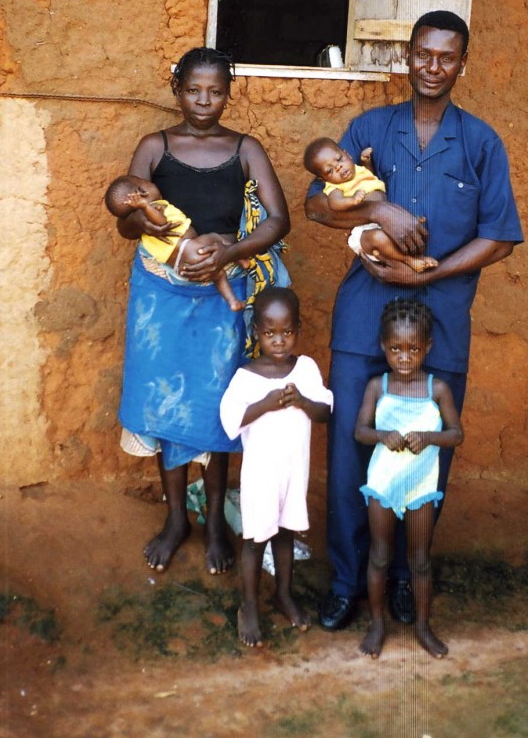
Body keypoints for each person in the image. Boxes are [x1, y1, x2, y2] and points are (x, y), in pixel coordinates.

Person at [304, 9, 523, 630]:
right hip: (365, 317)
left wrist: (429, 274)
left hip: (441, 318)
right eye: (423, 54)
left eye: (446, 57)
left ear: (462, 64)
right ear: (407, 56)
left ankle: (404, 578)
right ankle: (348, 582)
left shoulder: (481, 142)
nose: (433, 67)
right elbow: (317, 205)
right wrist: (380, 208)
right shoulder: (370, 127)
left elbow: (500, 237)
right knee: (352, 448)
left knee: (426, 455)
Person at [115, 47, 290, 575]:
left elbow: (278, 220)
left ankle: (213, 522)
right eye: (193, 90)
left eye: (215, 91)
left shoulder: (245, 149)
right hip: (159, 295)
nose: (204, 101)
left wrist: (229, 252)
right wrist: (150, 224)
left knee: (216, 406)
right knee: (162, 400)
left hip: (223, 292)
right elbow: (125, 220)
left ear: (228, 94)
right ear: (177, 89)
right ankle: (176, 520)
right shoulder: (155, 147)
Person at [219, 287, 332, 647]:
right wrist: (265, 404)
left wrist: (303, 400)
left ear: (298, 329)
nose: (279, 341)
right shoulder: (246, 377)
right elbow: (231, 420)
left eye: (287, 332)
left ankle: (284, 594)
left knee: (285, 534)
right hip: (261, 477)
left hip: (293, 473)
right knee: (255, 540)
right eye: (270, 333)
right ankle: (249, 606)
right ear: (256, 332)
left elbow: (325, 412)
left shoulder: (306, 369)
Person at [355, 299, 463, 659]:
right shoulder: (378, 386)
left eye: (413, 350)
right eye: (395, 349)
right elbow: (360, 431)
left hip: (420, 486)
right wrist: (381, 435)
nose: (404, 358)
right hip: (383, 482)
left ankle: (423, 626)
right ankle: (377, 624)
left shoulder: (437, 389)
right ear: (383, 346)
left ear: (427, 347)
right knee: (380, 555)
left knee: (419, 559)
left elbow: (456, 434)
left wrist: (429, 437)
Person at [105, 174, 247, 311]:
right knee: (215, 238)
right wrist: (146, 206)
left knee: (219, 275)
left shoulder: (141, 228)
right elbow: (162, 223)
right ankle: (239, 258)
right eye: (148, 182)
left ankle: (233, 302)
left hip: (180, 266)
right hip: (190, 248)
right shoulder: (151, 209)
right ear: (142, 192)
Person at [303, 137, 437, 273]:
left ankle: (414, 239)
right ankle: (409, 261)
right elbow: (334, 204)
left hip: (386, 219)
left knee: (402, 224)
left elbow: (370, 177)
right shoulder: (335, 187)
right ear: (323, 179)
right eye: (330, 171)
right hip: (366, 229)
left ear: (347, 154)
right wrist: (352, 200)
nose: (338, 167)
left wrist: (366, 162)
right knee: (378, 238)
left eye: (339, 159)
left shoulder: (358, 170)